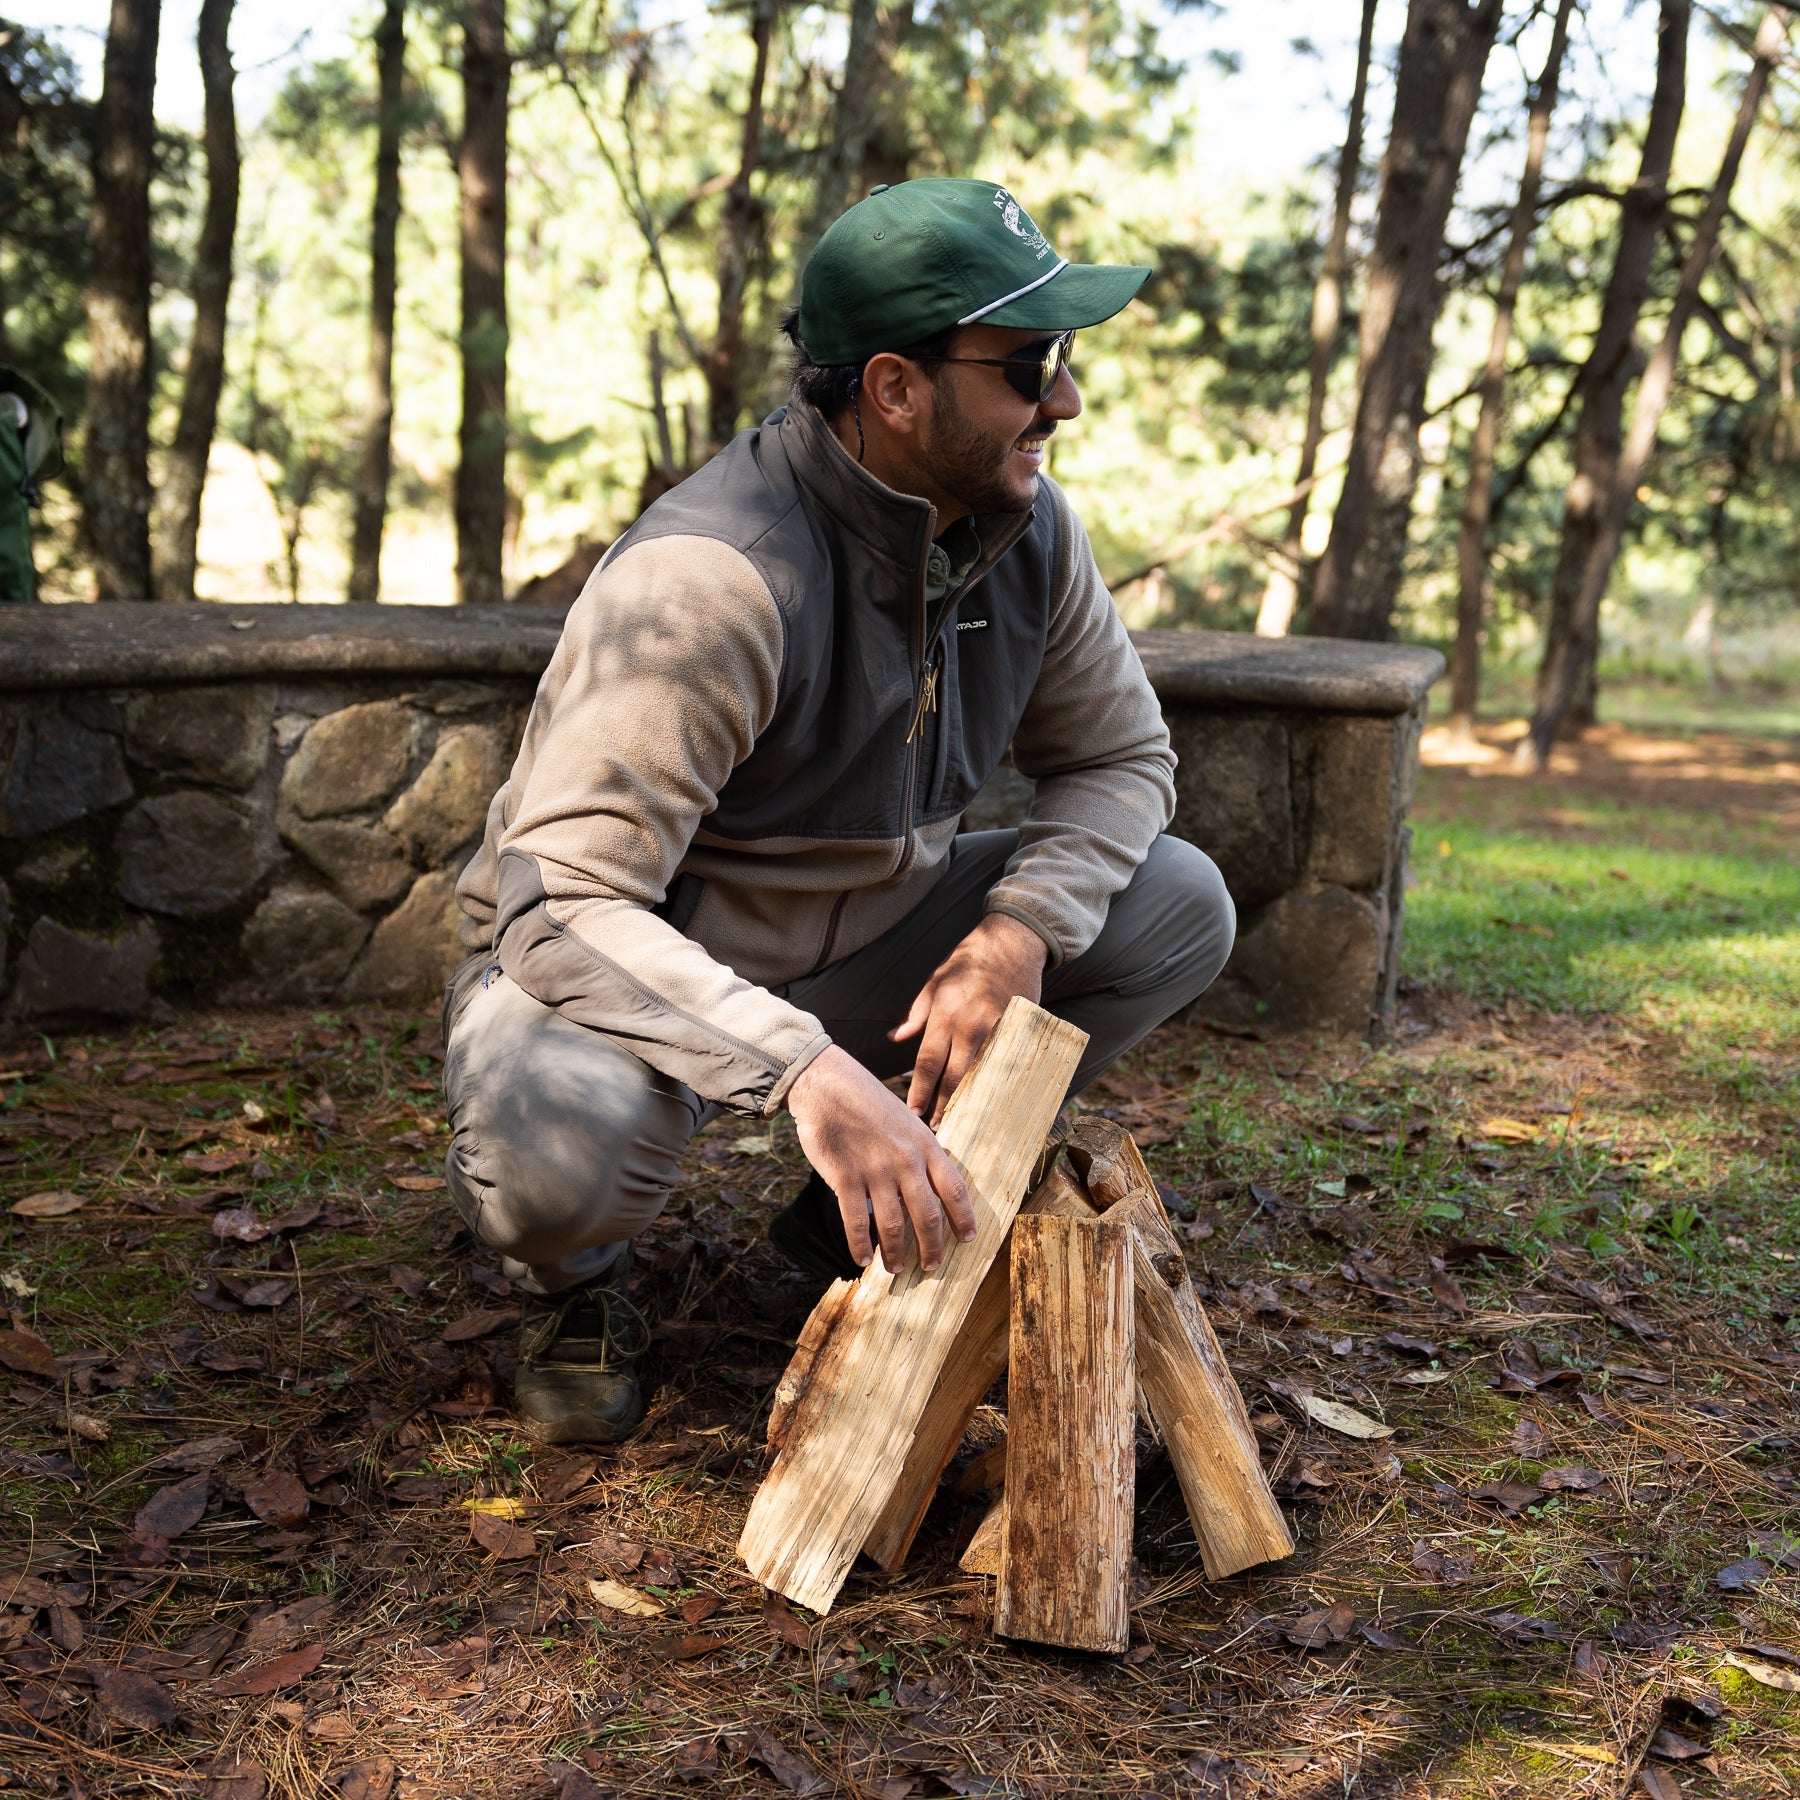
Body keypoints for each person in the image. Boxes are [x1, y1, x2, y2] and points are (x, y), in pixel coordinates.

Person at [443, 178, 1236, 1444]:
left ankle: (838, 1224)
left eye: (1065, 358)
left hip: (872, 938)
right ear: (895, 388)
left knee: (1175, 904)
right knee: (560, 1154)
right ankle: (575, 1289)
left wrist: (1015, 929)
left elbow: (1123, 761)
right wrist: (802, 1066)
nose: (1067, 401)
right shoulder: (717, 577)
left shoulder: (1027, 529)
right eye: (1031, 365)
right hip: (634, 968)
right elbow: (562, 903)